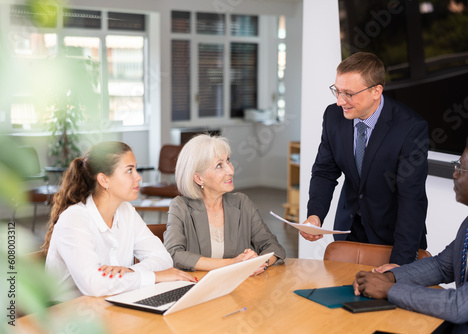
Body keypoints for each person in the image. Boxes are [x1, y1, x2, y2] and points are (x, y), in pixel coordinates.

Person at [354, 132, 468, 333]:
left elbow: (460, 306)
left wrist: (389, 290)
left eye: (461, 168)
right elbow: (442, 266)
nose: (455, 174)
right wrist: (391, 277)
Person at [301, 52, 428, 265]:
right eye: (337, 91)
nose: (341, 101)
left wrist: (399, 263)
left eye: (348, 94)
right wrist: (315, 215)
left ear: (376, 91)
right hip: (349, 231)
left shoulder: (410, 127)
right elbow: (324, 171)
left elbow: (412, 199)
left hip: (393, 238)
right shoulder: (333, 117)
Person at [43, 141, 195, 301]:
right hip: (67, 315)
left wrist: (128, 272)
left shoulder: (126, 211)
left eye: (135, 169)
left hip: (111, 302)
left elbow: (163, 258)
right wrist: (154, 276)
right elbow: (95, 284)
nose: (138, 177)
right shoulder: (74, 219)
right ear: (104, 180)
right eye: (129, 170)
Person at [164, 134, 286, 275]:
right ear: (198, 178)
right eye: (219, 165)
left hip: (240, 289)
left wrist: (259, 263)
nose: (231, 170)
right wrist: (232, 263)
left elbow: (273, 247)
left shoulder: (242, 203)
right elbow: (173, 254)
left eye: (228, 160)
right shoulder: (180, 207)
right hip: (197, 289)